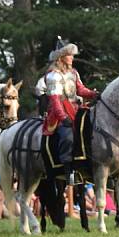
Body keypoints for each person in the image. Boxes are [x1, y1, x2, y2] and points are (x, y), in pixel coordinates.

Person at [42, 38, 97, 174]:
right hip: (59, 111)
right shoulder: (53, 75)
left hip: (76, 109)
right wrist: (63, 117)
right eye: (69, 55)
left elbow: (80, 90)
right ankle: (67, 169)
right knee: (68, 136)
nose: (72, 58)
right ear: (61, 58)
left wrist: (94, 94)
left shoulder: (73, 73)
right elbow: (55, 100)